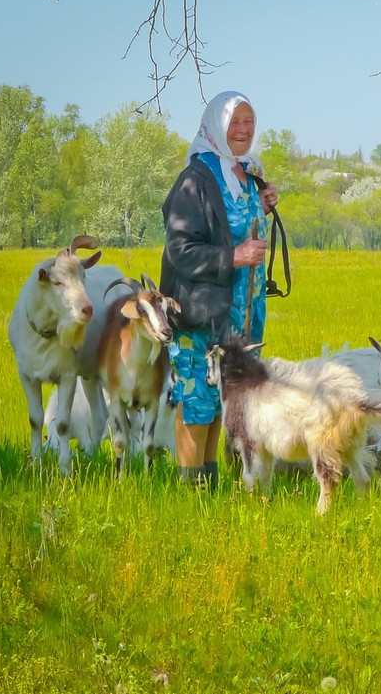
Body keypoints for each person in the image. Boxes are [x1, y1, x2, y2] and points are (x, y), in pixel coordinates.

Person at [160, 90, 279, 488]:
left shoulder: (242, 173)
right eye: (235, 122)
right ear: (216, 125)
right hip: (201, 315)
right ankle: (190, 494)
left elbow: (231, 223)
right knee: (197, 402)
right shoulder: (196, 179)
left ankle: (207, 490)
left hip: (238, 317)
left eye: (249, 121)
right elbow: (180, 249)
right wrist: (234, 256)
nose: (244, 129)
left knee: (221, 404)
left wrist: (259, 207)